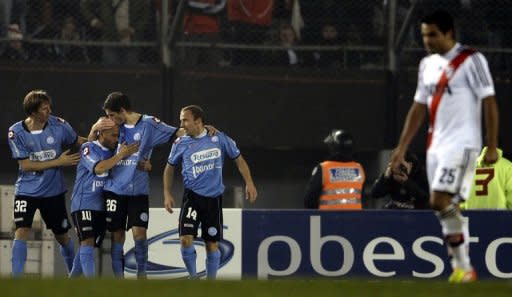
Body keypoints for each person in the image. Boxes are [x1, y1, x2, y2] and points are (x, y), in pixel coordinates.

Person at [389, 10, 499, 283]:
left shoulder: (471, 60)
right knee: (442, 205)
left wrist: (492, 145)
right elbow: (417, 108)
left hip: (463, 143)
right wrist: (401, 147)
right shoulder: (427, 65)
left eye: (432, 34)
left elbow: (489, 104)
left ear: (449, 33)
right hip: (435, 145)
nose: (427, 40)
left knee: (440, 200)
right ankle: (463, 268)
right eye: (424, 34)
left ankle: (463, 266)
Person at [6, 90, 104, 277]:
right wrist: (58, 162)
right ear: (33, 112)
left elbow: (79, 143)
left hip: (53, 192)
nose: (49, 110)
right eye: (44, 108)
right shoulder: (16, 132)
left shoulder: (59, 125)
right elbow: (25, 165)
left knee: (63, 237)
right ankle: (15, 280)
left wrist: (94, 136)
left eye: (48, 106)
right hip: (26, 190)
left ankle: (72, 279)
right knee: (21, 230)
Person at [163, 105, 257, 279]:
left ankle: (210, 286)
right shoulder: (180, 142)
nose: (181, 124)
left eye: (185, 120)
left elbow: (239, 160)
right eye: (180, 120)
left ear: (198, 121)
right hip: (191, 197)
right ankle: (193, 279)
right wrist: (167, 193)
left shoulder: (219, 138)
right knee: (185, 239)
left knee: (211, 244)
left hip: (213, 199)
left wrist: (249, 182)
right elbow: (169, 168)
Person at [101, 91, 178, 278]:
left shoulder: (149, 124)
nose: (109, 119)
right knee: (117, 236)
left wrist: (202, 129)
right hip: (114, 190)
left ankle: (141, 277)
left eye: (111, 114)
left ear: (122, 110)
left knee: (139, 234)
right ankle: (119, 280)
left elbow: (177, 133)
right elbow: (93, 146)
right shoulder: (109, 126)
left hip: (138, 191)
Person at [68, 123, 139, 278]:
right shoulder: (88, 147)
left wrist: (141, 163)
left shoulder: (116, 150)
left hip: (102, 206)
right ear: (101, 133)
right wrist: (121, 155)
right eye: (113, 135)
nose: (116, 138)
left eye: (117, 135)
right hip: (83, 203)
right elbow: (99, 168)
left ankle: (69, 284)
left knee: (87, 247)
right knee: (87, 241)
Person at [304, 129, 365, 210]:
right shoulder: (359, 168)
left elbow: (309, 201)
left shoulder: (323, 168)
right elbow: (361, 197)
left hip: (329, 220)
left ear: (333, 148)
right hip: (355, 220)